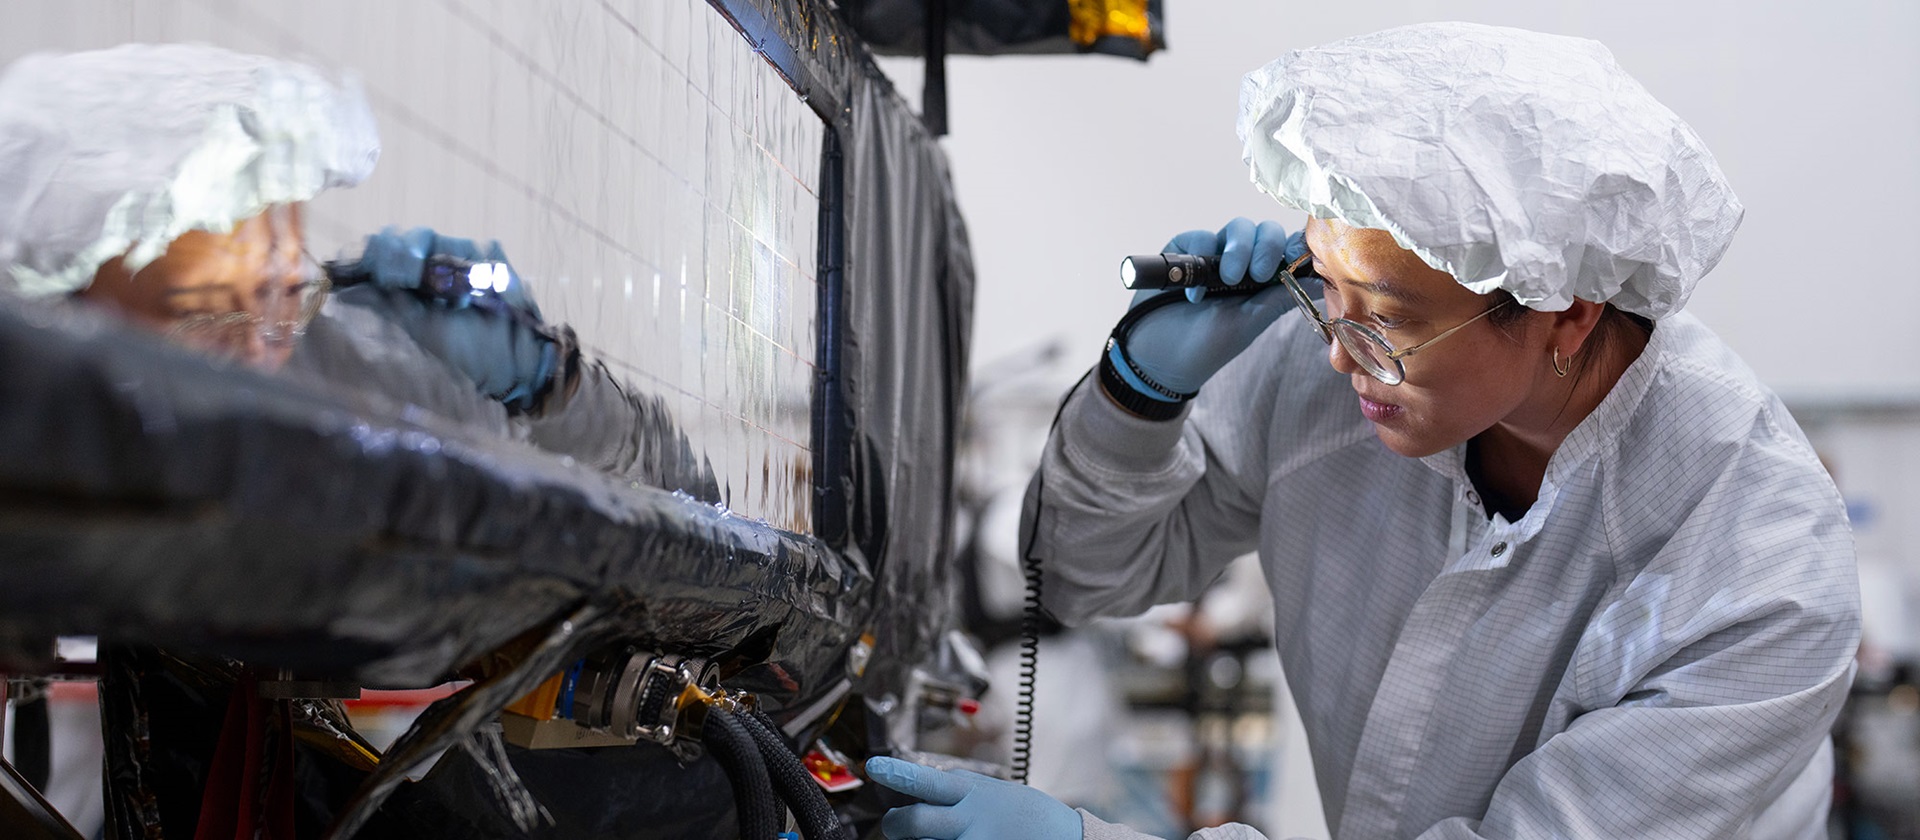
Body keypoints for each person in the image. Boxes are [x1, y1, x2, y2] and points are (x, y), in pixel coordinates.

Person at [869, 22, 1859, 840]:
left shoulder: (1759, 570)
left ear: (1567, 315)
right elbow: (1086, 577)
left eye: (1388, 319)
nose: (1340, 353)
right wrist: (1139, 395)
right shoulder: (1324, 369)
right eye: (1324, 291)